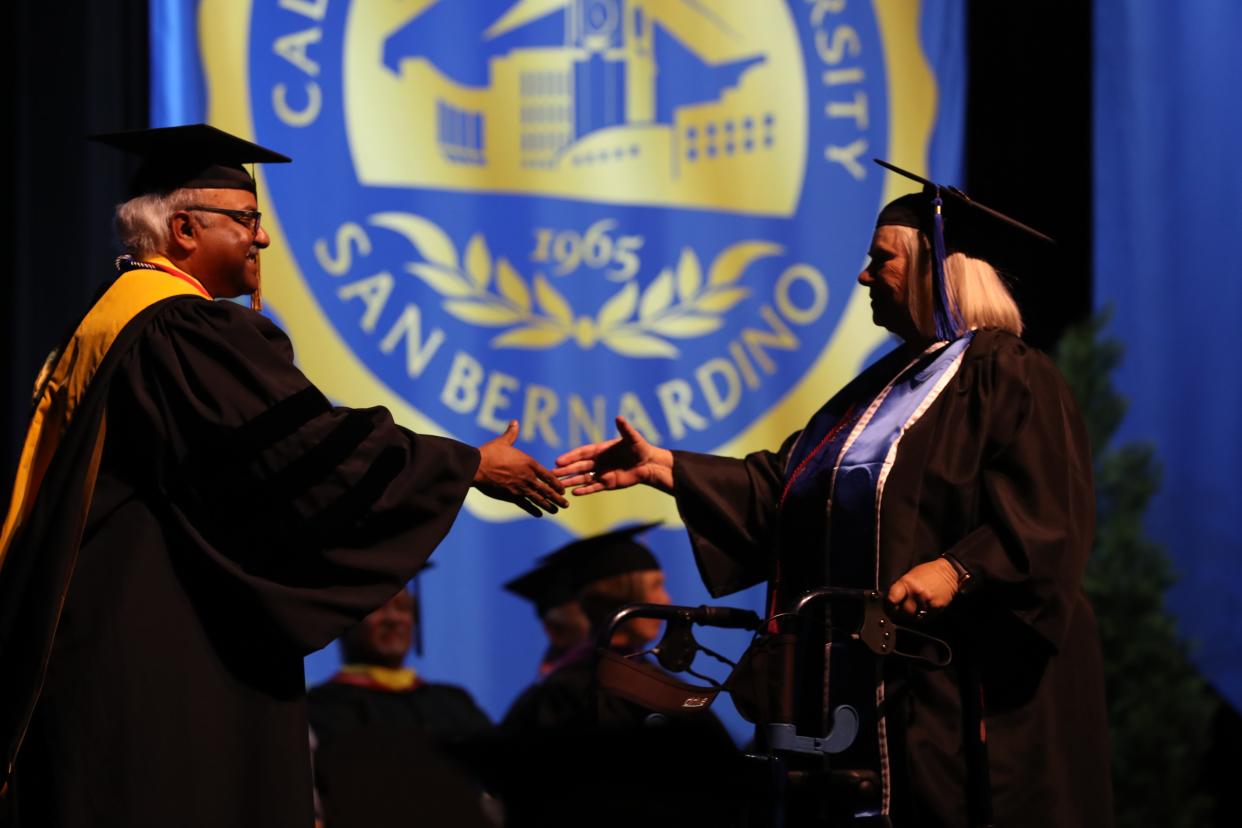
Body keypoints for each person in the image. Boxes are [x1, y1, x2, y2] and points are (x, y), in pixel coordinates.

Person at [0, 124, 566, 828]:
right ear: (183, 229)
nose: (262, 240)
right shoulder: (180, 329)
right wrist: (466, 463)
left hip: (102, 646)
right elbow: (300, 457)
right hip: (160, 662)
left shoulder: (106, 322)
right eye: (247, 220)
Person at [553, 161, 1112, 826]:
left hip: (960, 693)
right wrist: (664, 466)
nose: (863, 275)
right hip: (860, 701)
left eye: (882, 259)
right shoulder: (878, 392)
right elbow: (786, 491)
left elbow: (1050, 516)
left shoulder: (1006, 374)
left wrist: (958, 568)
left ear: (941, 267)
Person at [308, 570, 497, 828]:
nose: (394, 619)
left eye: (404, 608)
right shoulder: (320, 710)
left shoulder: (453, 704)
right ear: (346, 621)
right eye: (379, 608)